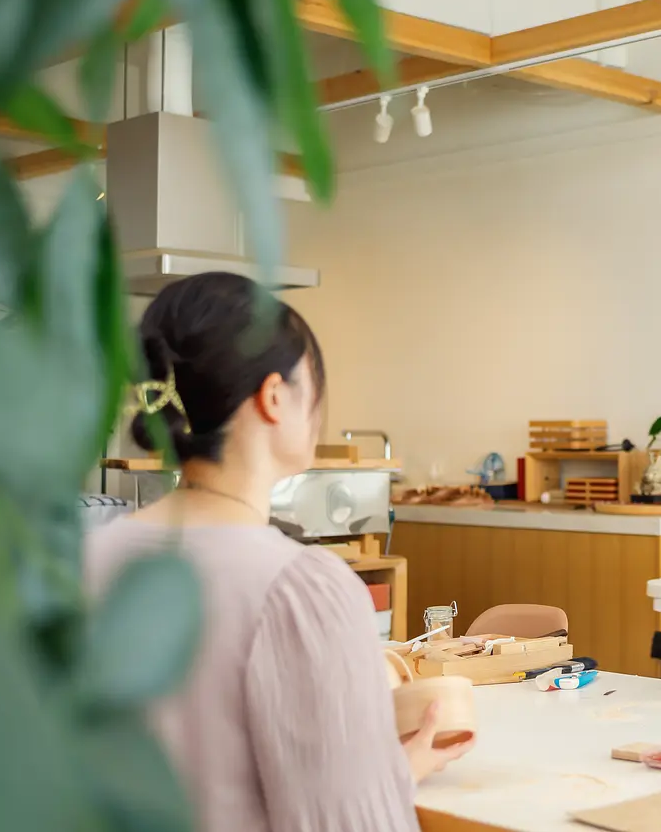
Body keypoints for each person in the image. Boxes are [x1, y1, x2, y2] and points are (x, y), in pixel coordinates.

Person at [84, 272, 473, 832]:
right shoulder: (298, 589)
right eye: (313, 384)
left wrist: (381, 777)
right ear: (272, 397)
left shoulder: (86, 556)